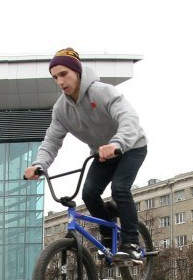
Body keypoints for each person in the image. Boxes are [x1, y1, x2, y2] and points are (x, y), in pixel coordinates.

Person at [23, 48, 149, 261]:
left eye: (64, 74)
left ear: (77, 71)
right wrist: (39, 165)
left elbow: (129, 118)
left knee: (119, 188)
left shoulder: (102, 92)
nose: (60, 81)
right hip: (102, 155)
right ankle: (108, 235)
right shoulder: (61, 109)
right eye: (55, 77)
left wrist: (116, 143)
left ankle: (131, 243)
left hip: (131, 147)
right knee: (89, 194)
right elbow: (52, 140)